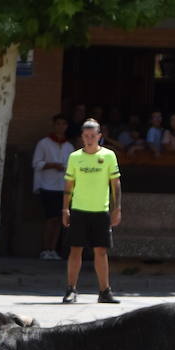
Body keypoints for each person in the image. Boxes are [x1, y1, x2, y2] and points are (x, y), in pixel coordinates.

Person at [60, 119, 121, 305]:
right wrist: (65, 208)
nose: (89, 139)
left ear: (99, 136)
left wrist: (116, 208)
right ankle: (71, 290)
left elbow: (115, 183)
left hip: (100, 210)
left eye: (93, 136)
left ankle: (105, 291)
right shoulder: (75, 157)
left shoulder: (109, 156)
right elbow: (69, 184)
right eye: (86, 136)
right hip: (79, 209)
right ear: (82, 137)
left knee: (101, 251)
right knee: (75, 250)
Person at [32, 113, 74, 260]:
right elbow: (36, 163)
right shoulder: (44, 143)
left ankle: (53, 249)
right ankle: (45, 249)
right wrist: (51, 165)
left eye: (63, 124)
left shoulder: (69, 146)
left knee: (59, 219)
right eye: (58, 124)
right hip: (47, 185)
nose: (60, 127)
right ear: (53, 125)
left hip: (62, 187)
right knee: (50, 219)